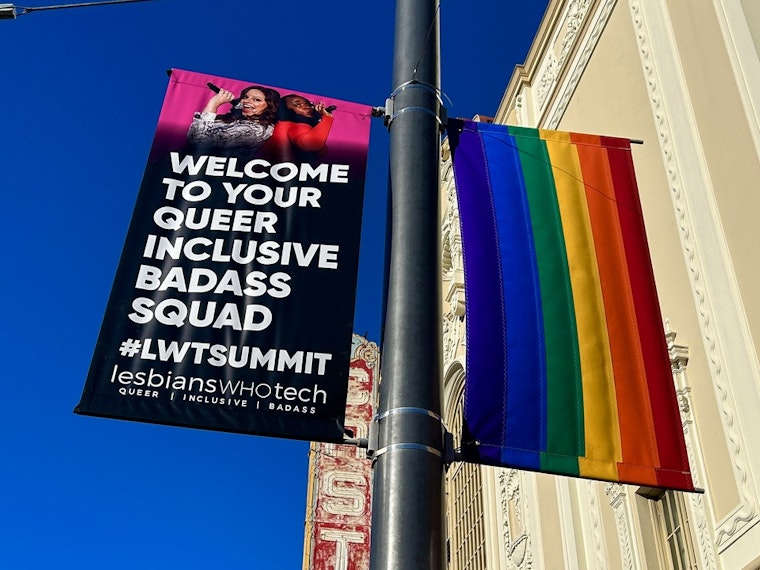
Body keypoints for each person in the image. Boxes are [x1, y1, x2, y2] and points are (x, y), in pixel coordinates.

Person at [187, 85, 280, 159]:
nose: (246, 101)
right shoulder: (234, 120)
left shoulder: (255, 130)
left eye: (257, 100)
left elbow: (199, 140)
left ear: (269, 107)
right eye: (245, 97)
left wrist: (213, 105)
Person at [262, 94, 334, 163]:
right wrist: (327, 119)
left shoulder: (281, 125)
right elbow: (311, 144)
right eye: (297, 105)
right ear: (286, 110)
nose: (306, 107)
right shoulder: (295, 126)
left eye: (307, 104)